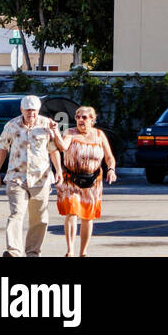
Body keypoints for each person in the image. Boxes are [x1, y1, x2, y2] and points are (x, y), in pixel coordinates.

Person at [0, 95, 62, 259]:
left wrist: (58, 170)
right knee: (16, 214)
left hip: (41, 178)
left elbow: (53, 149)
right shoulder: (11, 126)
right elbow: (2, 148)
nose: (31, 113)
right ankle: (14, 252)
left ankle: (33, 252)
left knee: (39, 218)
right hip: (16, 177)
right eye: (28, 110)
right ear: (21, 110)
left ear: (38, 110)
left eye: (34, 110)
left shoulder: (46, 125)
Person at [51, 107, 116, 258]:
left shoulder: (99, 135)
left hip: (93, 181)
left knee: (87, 216)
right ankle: (70, 251)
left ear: (93, 120)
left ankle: (83, 252)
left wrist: (111, 169)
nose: (81, 120)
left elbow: (109, 157)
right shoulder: (70, 133)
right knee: (72, 212)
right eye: (78, 117)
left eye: (85, 117)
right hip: (71, 180)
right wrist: (55, 132)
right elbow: (62, 146)